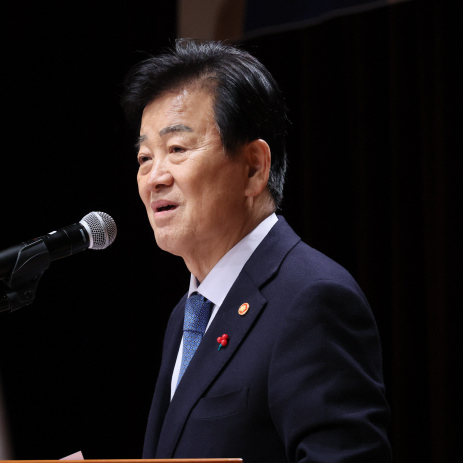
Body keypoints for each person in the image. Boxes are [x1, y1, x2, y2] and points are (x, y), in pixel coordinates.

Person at [120, 39, 391, 462]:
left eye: (176, 150)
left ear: (253, 167)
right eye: (143, 158)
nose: (155, 177)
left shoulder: (311, 298)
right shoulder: (187, 315)